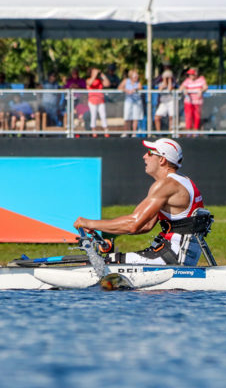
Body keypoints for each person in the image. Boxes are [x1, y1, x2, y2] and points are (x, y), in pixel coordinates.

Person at [74, 138, 213, 266]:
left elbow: (133, 224)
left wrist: (89, 223)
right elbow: (145, 226)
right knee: (105, 263)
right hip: (176, 254)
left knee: (97, 264)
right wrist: (99, 227)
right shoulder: (182, 180)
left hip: (171, 256)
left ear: (162, 160)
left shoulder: (166, 185)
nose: (144, 156)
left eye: (149, 153)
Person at [179, 68, 208, 132]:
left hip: (197, 102)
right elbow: (181, 88)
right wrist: (184, 89)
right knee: (189, 116)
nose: (190, 76)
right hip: (189, 101)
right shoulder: (187, 80)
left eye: (192, 74)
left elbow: (205, 87)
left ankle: (196, 132)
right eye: (189, 74)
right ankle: (188, 132)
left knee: (197, 116)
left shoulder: (201, 79)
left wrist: (201, 90)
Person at [118, 69, 144, 137]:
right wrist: (126, 90)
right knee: (127, 117)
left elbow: (140, 88)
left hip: (137, 102)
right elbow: (119, 87)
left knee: (135, 117)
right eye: (135, 76)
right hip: (129, 101)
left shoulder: (138, 83)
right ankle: (126, 132)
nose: (136, 77)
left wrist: (134, 89)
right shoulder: (126, 81)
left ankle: (134, 133)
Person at [86, 68, 111, 138]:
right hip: (92, 101)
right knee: (93, 116)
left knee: (103, 115)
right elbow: (90, 83)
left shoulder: (100, 80)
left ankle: (106, 130)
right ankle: (94, 131)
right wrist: (94, 74)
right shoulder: (88, 80)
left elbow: (108, 84)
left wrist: (102, 75)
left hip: (100, 100)